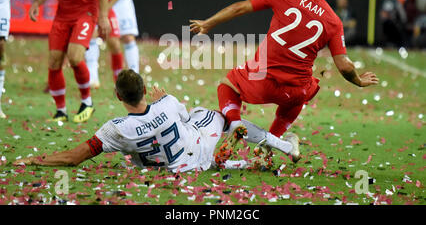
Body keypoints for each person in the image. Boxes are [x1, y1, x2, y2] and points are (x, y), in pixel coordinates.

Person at [190, 0, 379, 165]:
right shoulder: (334, 21)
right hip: (294, 89)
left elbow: (239, 8)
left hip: (262, 79)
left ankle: (235, 123)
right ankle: (266, 147)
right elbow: (343, 65)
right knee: (302, 95)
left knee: (228, 85)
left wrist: (208, 24)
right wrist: (359, 81)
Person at [13, 69, 296, 171]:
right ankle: (268, 146)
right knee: (217, 116)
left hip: (174, 168)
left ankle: (235, 161)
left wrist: (36, 160)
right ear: (145, 90)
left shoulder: (116, 129)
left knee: (192, 126)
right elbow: (183, 119)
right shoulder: (169, 102)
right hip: (196, 148)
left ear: (117, 95)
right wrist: (164, 100)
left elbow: (76, 157)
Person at [28, 0, 111, 123]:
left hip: (86, 13)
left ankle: (87, 102)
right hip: (62, 15)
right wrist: (36, 3)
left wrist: (103, 15)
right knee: (54, 62)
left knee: (75, 57)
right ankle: (61, 111)